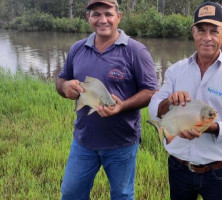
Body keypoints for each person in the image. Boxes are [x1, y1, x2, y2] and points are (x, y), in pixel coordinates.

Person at [148, 2, 222, 200]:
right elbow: (155, 106)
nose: (207, 38)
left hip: (217, 172)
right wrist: (168, 102)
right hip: (178, 167)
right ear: (193, 32)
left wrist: (209, 127)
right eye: (201, 30)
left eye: (214, 31)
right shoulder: (175, 70)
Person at [56, 0, 158, 199]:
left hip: (122, 143)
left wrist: (122, 106)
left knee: (122, 195)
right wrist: (65, 87)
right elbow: (61, 80)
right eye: (96, 14)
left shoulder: (136, 51)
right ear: (88, 18)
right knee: (70, 193)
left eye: (108, 14)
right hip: (83, 140)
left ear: (118, 17)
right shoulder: (77, 48)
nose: (103, 20)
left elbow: (151, 91)